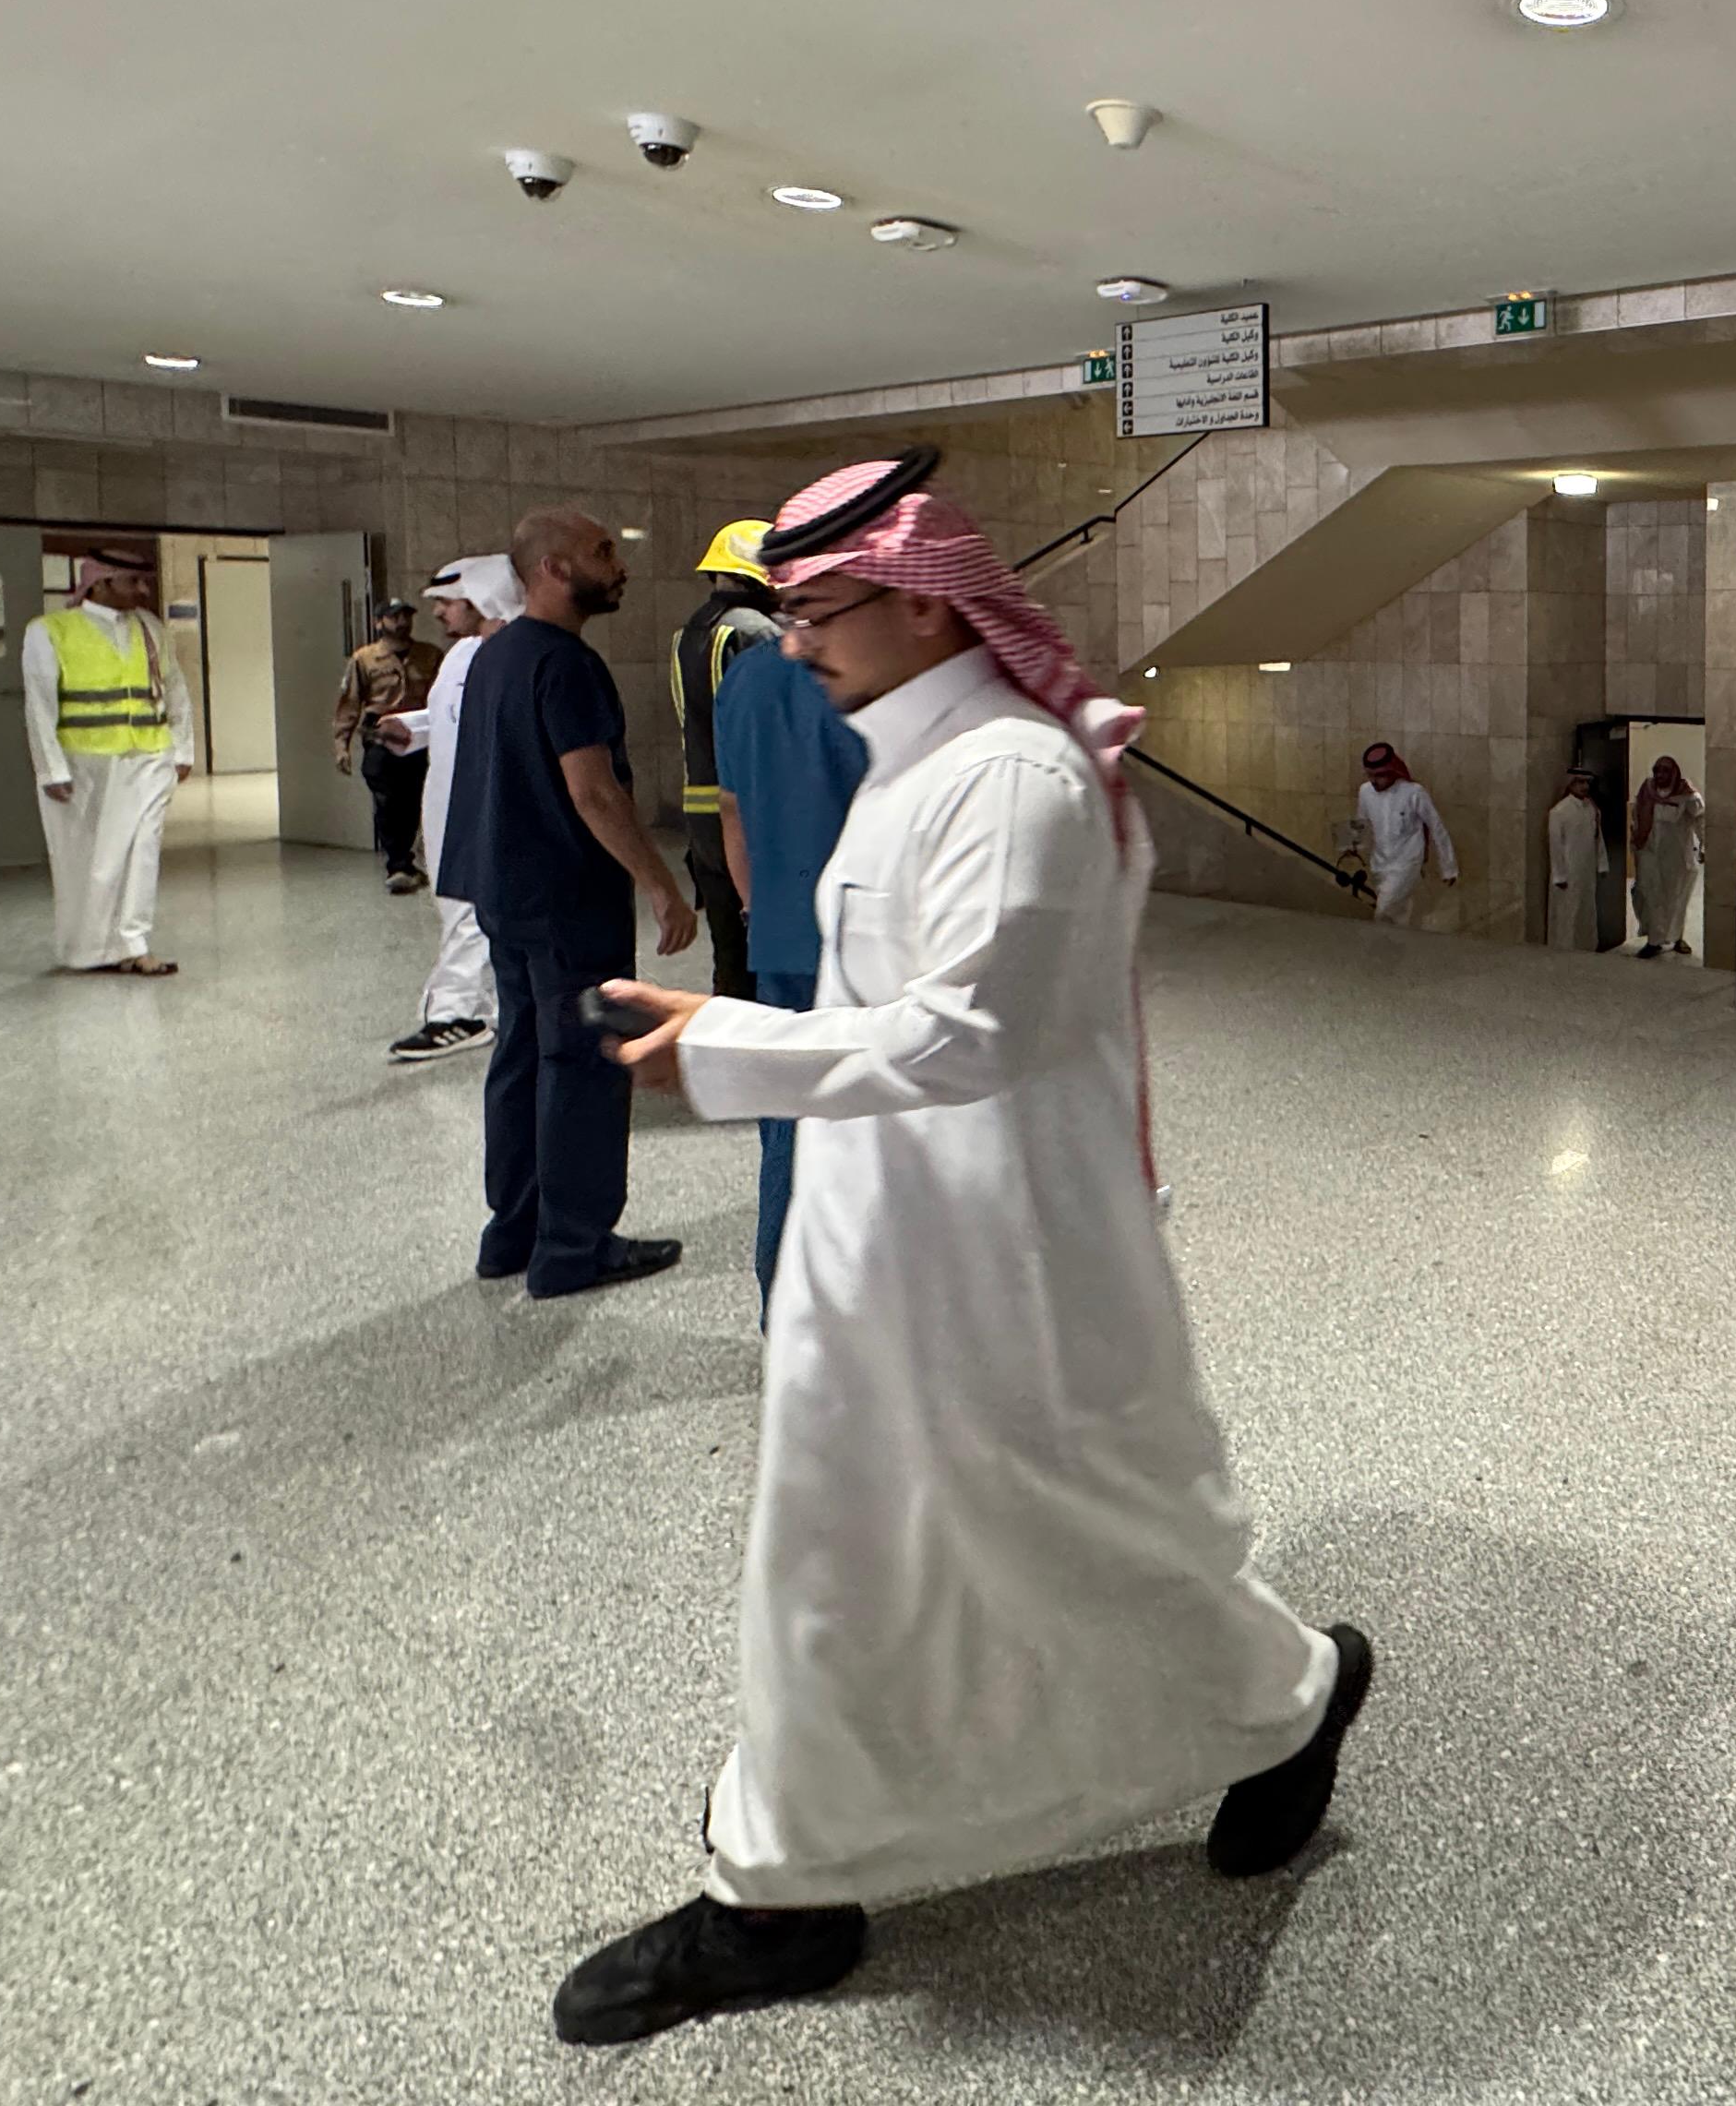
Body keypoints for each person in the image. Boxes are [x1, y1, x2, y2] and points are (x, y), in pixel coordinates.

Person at [564, 451, 1372, 2047]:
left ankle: (1288, 1699)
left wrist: (723, 1049)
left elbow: (971, 1032)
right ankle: (784, 1887)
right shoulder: (914, 755)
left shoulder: (1014, 778)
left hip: (995, 1253)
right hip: (886, 1235)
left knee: (1070, 1537)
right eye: (790, 610)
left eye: (821, 607)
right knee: (854, 1555)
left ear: (928, 600)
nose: (797, 640)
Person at [436, 508, 698, 1297]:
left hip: (505, 893)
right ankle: (574, 1248)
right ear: (552, 568)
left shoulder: (492, 655)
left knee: (520, 1054)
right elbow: (595, 793)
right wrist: (661, 884)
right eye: (602, 552)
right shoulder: (568, 665)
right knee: (584, 1060)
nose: (619, 566)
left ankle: (511, 1233)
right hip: (567, 898)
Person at [709, 632, 868, 1316]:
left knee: (787, 1120)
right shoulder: (873, 666)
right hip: (865, 939)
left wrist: (757, 906)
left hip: (778, 930)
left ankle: (781, 1299)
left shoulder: (745, 676)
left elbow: (731, 809)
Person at [20, 545, 196, 977]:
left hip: (149, 756)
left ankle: (134, 943)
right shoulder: (49, 631)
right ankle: (89, 949)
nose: (143, 591)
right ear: (99, 584)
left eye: (144, 582)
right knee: (87, 860)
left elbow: (175, 689)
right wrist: (50, 769)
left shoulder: (151, 628)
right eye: (132, 582)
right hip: (84, 764)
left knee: (143, 849)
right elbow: (39, 707)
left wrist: (182, 750)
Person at [384, 555, 515, 1064]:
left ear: (481, 599)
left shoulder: (511, 651)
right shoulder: (461, 653)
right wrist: (411, 729)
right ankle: (483, 1006)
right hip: (447, 800)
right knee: (460, 906)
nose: (437, 613)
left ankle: (459, 1013)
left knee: (470, 909)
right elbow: (451, 715)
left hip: (485, 802)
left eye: (447, 602)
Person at [675, 521, 781, 999]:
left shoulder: (690, 632)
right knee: (766, 955)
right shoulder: (759, 632)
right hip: (750, 812)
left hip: (701, 814)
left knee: (729, 955)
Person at [331, 593, 441, 892]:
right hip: (380, 737)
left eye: (406, 616)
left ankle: (406, 861)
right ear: (379, 622)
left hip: (419, 737)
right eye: (393, 617)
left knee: (414, 800)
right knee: (387, 801)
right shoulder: (364, 659)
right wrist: (341, 744)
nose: (401, 622)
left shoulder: (430, 655)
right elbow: (350, 703)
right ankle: (398, 864)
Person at [1335, 741, 1457, 925]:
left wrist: (1449, 867)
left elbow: (1437, 828)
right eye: (1370, 775)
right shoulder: (1365, 791)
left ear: (1392, 771)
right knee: (1399, 917)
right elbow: (1361, 823)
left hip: (1406, 864)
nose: (1374, 781)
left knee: (1383, 914)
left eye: (1379, 775)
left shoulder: (1413, 792)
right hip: (1379, 865)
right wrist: (1349, 846)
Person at [1629, 754, 1705, 958]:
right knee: (1651, 897)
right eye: (1657, 770)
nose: (1660, 775)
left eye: (1665, 771)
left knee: (1676, 899)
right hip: (1649, 855)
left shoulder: (1688, 795)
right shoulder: (1647, 791)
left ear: (1674, 773)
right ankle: (1654, 941)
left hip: (1677, 858)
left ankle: (1677, 938)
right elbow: (1637, 818)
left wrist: (1704, 845)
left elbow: (1701, 821)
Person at [1544, 767, 1608, 950]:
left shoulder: (1592, 809)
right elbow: (1555, 846)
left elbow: (1598, 838)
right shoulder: (1559, 812)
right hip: (1568, 872)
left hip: (1587, 871)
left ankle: (1587, 947)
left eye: (1587, 782)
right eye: (1580, 782)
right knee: (1568, 911)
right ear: (1570, 784)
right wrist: (1560, 875)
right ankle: (1565, 948)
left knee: (1586, 910)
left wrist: (1602, 864)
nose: (1584, 786)